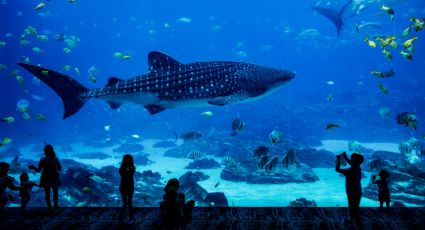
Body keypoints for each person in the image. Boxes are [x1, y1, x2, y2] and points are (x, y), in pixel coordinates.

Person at [29, 144, 62, 213]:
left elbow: (38, 170)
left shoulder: (43, 159)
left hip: (46, 177)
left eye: (45, 151)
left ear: (47, 151)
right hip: (54, 177)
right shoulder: (55, 158)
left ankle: (50, 208)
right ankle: (54, 207)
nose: (44, 152)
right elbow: (59, 169)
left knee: (48, 193)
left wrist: (34, 167)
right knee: (54, 193)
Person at [336, 152, 364, 229]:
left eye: (351, 159)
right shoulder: (358, 168)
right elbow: (352, 163)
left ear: (353, 161)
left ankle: (353, 223)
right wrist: (345, 157)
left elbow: (337, 169)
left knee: (352, 209)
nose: (350, 160)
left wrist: (338, 160)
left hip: (351, 192)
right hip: (358, 191)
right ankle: (356, 223)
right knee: (356, 208)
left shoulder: (350, 170)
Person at [118, 154, 135, 221]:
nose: (132, 161)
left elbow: (130, 174)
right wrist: (127, 169)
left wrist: (129, 169)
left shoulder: (132, 168)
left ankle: (130, 217)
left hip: (129, 186)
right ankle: (121, 217)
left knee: (129, 202)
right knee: (125, 203)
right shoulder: (122, 169)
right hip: (124, 187)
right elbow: (125, 176)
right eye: (131, 160)